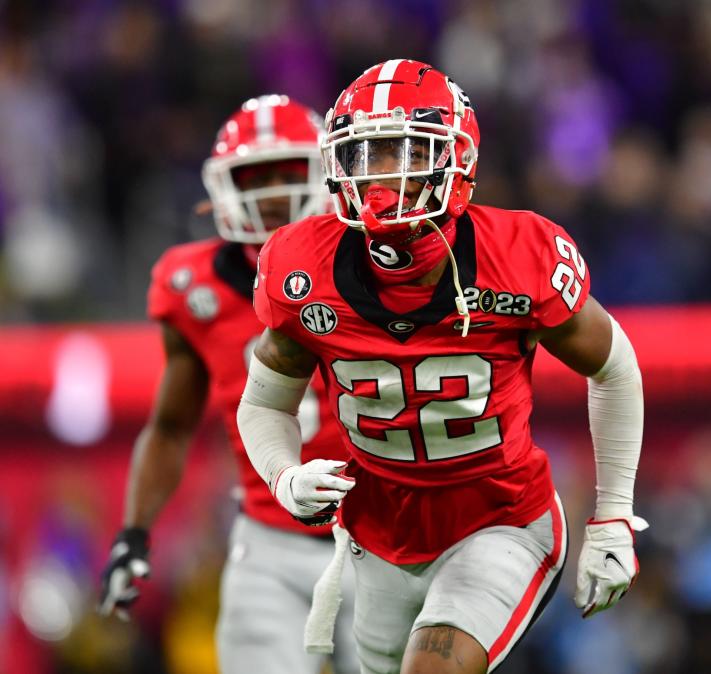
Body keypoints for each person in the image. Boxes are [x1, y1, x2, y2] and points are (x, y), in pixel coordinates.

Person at [238, 61, 647, 674]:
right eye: (366, 154)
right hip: (377, 538)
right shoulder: (302, 269)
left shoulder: (521, 256)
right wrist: (283, 476)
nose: (381, 176)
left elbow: (613, 367)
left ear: (456, 159)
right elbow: (264, 401)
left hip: (499, 522)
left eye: (401, 152)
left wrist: (613, 514)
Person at [98, 95, 359, 674]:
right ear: (222, 186)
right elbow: (169, 427)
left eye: (286, 173)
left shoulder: (374, 262)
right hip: (269, 536)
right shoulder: (194, 289)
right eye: (253, 177)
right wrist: (134, 533)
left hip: (384, 535)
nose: (270, 193)